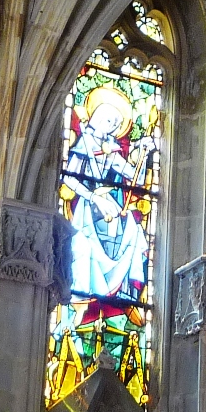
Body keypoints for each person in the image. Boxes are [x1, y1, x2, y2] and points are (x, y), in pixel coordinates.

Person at [61, 86, 152, 303]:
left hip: (109, 205)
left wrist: (143, 153)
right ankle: (84, 294)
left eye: (117, 123)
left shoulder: (111, 149)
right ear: (97, 118)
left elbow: (136, 178)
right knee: (85, 245)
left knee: (133, 231)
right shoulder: (84, 144)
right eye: (110, 120)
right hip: (88, 206)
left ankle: (124, 290)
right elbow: (69, 178)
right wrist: (93, 197)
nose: (113, 127)